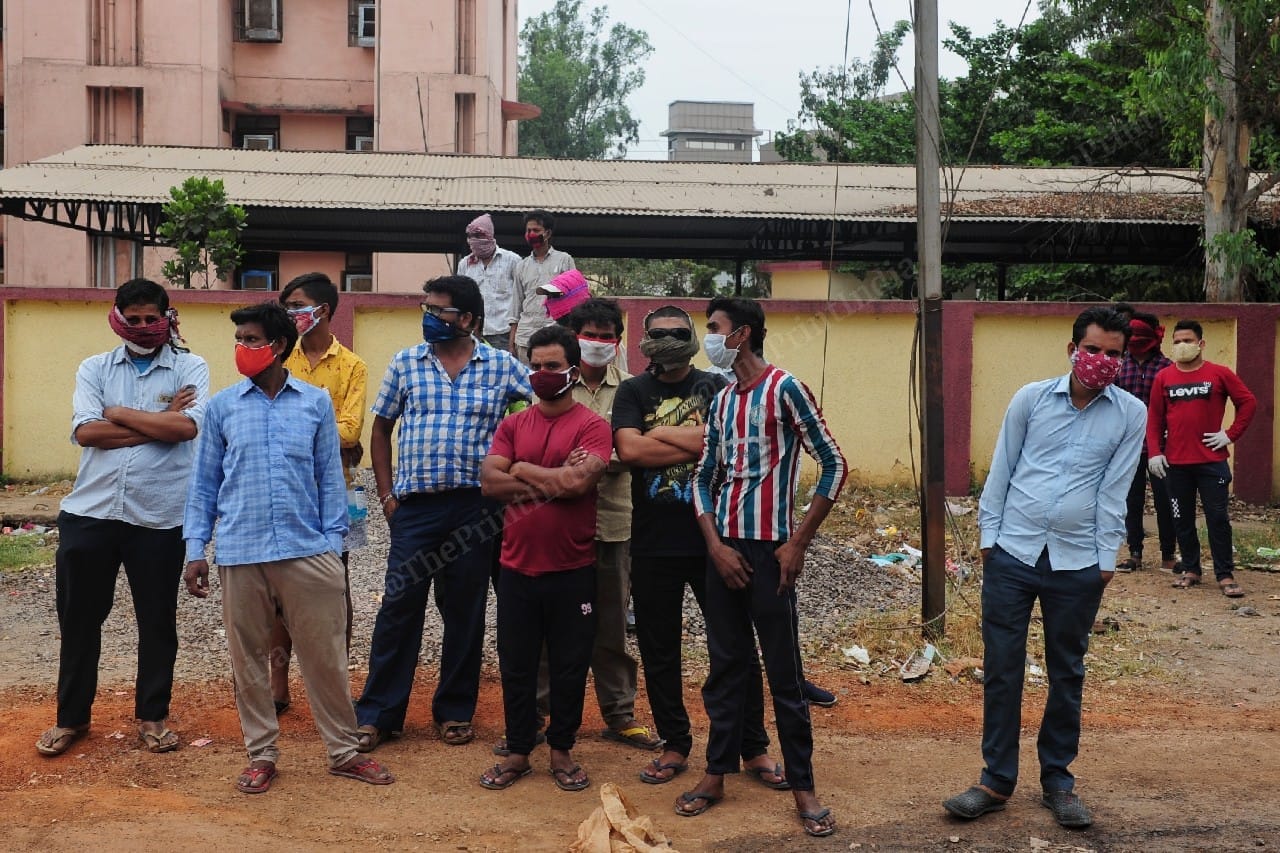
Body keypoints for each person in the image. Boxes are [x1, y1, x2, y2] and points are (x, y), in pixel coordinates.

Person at [943, 306, 1144, 829]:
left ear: (1123, 359)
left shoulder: (1130, 414)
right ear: (1072, 349)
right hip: (1013, 554)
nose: (1102, 360)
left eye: (1113, 354)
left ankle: (1058, 779)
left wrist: (1105, 560)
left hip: (1078, 564)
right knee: (1002, 669)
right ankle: (995, 780)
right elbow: (1003, 468)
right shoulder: (1030, 399)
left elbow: (1114, 490)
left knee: (1067, 671)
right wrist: (990, 541)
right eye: (1093, 349)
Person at [183, 301, 392, 794]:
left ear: (277, 346)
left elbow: (329, 479)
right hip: (240, 552)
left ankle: (343, 752)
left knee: (325, 657)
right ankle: (261, 755)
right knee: (249, 660)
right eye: (239, 340)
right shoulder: (221, 407)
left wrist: (332, 543)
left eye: (251, 339)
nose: (242, 348)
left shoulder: (315, 403)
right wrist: (196, 549)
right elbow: (204, 485)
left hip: (307, 552)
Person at [682, 297, 847, 838]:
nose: (707, 337)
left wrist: (797, 542)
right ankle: (715, 774)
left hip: (770, 551)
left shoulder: (785, 388)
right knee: (726, 666)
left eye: (714, 328)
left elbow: (834, 463)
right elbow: (703, 476)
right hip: (723, 551)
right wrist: (713, 544)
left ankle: (803, 786)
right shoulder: (724, 398)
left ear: (742, 334)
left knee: (783, 673)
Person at [613, 304, 790, 789]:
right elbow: (629, 451)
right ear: (644, 339)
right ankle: (675, 743)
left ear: (692, 338)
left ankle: (751, 745)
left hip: (718, 542)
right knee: (659, 650)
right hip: (652, 544)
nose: (667, 339)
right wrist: (696, 440)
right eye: (657, 333)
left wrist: (660, 434)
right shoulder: (633, 390)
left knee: (733, 649)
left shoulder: (717, 386)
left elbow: (727, 441)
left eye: (677, 332)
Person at [355, 275, 531, 752]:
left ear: (469, 319)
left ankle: (455, 711)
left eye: (439, 310)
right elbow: (382, 427)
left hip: (476, 508)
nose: (429, 317)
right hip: (414, 509)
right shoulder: (406, 362)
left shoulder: (501, 367)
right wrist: (387, 497)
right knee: (398, 609)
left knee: (465, 613)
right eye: (426, 307)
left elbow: (534, 416)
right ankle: (378, 714)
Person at [37, 279, 208, 758]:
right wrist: (151, 423)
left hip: (159, 516)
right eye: (131, 319)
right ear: (116, 317)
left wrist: (117, 415)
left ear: (167, 317)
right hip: (89, 512)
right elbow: (88, 433)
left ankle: (152, 718)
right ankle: (71, 720)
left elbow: (187, 427)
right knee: (80, 620)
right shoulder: (94, 367)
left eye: (151, 318)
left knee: (157, 620)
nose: (141, 327)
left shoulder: (190, 366)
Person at [479, 324, 612, 793]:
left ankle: (561, 750)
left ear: (573, 369)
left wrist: (521, 468)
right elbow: (491, 484)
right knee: (515, 662)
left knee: (570, 663)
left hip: (573, 570)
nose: (541, 373)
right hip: (516, 567)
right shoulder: (514, 423)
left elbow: (579, 485)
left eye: (551, 366)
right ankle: (518, 751)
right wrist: (551, 476)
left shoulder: (593, 426)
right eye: (534, 366)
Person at [271, 273, 369, 715]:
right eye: (287, 306)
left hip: (339, 493)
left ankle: (333, 681)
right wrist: (322, 428)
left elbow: (353, 432)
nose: (290, 313)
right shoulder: (275, 357)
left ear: (324, 310)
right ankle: (278, 683)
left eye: (297, 304)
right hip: (282, 489)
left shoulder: (353, 366)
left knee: (335, 589)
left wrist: (294, 425)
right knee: (276, 589)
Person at [1147, 319, 1256, 597]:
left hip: (1211, 461)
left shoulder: (1219, 373)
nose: (1182, 346)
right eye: (1177, 341)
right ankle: (1191, 569)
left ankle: (1225, 574)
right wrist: (1155, 452)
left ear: (1201, 344)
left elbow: (1248, 402)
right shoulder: (1164, 377)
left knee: (1217, 518)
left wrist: (1230, 434)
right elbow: (1155, 419)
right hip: (1175, 464)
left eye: (1188, 340)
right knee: (1181, 518)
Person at [1114, 311, 1176, 573]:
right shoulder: (1119, 366)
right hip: (1128, 445)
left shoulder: (1168, 369)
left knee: (1166, 499)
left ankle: (1168, 554)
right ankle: (1135, 552)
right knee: (1131, 501)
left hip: (1161, 448)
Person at [509, 209, 575, 361]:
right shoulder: (521, 265)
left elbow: (574, 299)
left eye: (536, 230)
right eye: (528, 230)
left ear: (548, 233)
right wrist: (512, 342)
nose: (531, 234)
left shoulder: (564, 260)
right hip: (525, 337)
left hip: (556, 334)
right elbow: (516, 304)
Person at [457, 213, 520, 351]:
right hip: (474, 333)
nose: (473, 240)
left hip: (504, 333)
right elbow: (460, 299)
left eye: (478, 236)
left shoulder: (512, 260)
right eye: (470, 236)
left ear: (489, 235)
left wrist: (514, 337)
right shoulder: (465, 264)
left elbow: (521, 297)